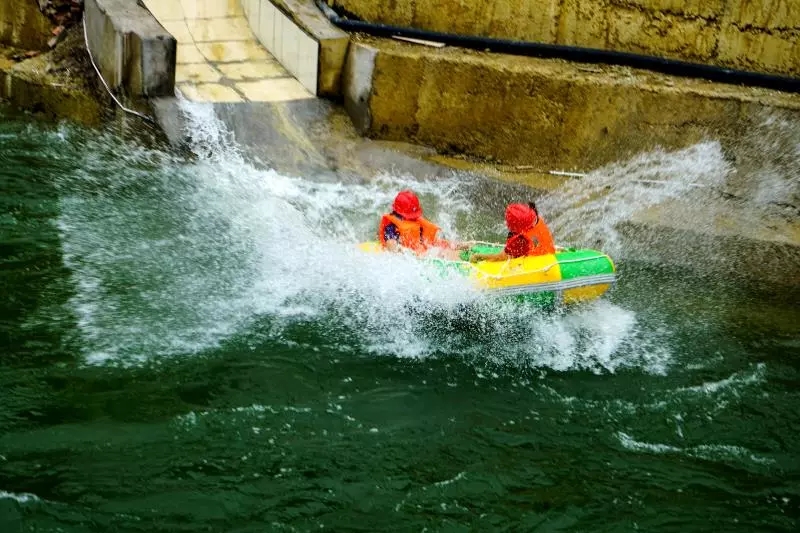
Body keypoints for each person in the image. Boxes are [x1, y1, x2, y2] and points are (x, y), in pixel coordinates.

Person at [378, 190, 469, 256]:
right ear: (399, 214)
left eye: (414, 216)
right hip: (413, 255)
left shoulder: (418, 223)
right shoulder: (391, 227)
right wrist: (409, 254)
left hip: (423, 251)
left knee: (444, 248)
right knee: (440, 254)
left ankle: (461, 247)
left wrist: (451, 245)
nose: (413, 218)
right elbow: (391, 245)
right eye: (411, 216)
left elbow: (430, 242)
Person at [469, 202, 556, 263]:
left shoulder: (520, 239)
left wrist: (480, 257)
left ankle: (468, 250)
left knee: (474, 254)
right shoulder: (537, 219)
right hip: (549, 255)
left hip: (534, 263)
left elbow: (501, 257)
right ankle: (465, 246)